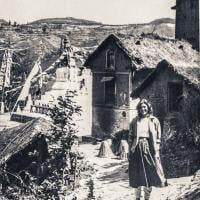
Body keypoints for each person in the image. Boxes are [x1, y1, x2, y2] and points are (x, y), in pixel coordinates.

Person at [128, 99, 166, 200]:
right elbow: (130, 136)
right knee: (136, 174)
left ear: (148, 108)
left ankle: (146, 198)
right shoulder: (135, 121)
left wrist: (156, 152)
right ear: (138, 109)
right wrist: (130, 150)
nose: (143, 109)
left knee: (148, 174)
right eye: (141, 107)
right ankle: (137, 197)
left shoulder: (154, 120)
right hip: (136, 149)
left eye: (145, 107)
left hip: (148, 149)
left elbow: (158, 138)